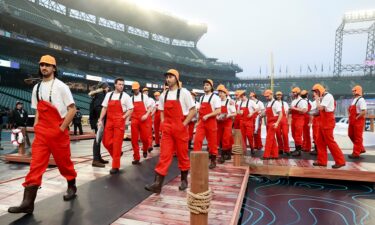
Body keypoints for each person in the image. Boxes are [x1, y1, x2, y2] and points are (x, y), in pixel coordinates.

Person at [9, 55, 77, 214]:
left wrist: (61, 129)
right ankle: (28, 203)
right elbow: (38, 110)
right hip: (42, 133)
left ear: (54, 68)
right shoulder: (36, 88)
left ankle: (71, 186)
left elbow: (72, 109)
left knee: (64, 163)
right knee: (35, 165)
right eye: (42, 65)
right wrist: (37, 127)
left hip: (58, 131)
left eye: (47, 65)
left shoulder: (61, 86)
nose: (44, 67)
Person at [145, 69, 196, 193]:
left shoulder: (184, 93)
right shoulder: (164, 94)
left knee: (182, 155)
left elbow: (193, 110)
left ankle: (184, 180)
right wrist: (163, 122)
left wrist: (183, 124)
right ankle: (158, 184)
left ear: (176, 79)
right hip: (168, 128)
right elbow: (161, 110)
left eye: (170, 77)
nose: (168, 79)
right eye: (167, 77)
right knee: (164, 155)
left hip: (180, 127)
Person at [98, 78, 133, 174]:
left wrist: (124, 117)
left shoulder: (126, 96)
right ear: (115, 85)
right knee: (106, 142)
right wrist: (100, 119)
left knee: (117, 144)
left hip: (119, 121)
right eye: (120, 84)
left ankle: (115, 166)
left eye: (123, 84)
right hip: (109, 121)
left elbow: (131, 109)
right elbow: (104, 108)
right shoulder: (109, 95)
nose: (121, 86)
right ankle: (117, 154)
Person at [311, 84, 346, 168]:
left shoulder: (328, 96)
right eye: (314, 92)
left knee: (330, 142)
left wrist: (316, 100)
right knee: (319, 141)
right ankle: (322, 161)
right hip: (322, 121)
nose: (315, 94)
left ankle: (340, 161)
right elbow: (320, 111)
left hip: (328, 122)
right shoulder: (323, 97)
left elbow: (320, 108)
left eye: (316, 92)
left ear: (320, 90)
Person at [193, 79, 221, 169]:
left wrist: (208, 115)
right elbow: (200, 112)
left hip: (211, 122)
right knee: (197, 140)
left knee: (212, 143)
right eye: (204, 85)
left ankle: (213, 161)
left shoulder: (215, 98)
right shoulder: (201, 98)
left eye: (207, 85)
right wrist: (197, 122)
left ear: (211, 87)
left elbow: (218, 110)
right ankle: (196, 159)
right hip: (202, 122)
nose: (205, 86)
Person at [88, 82, 110, 167]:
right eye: (108, 87)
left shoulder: (98, 94)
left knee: (98, 140)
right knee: (97, 140)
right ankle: (95, 160)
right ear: (104, 88)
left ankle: (98, 157)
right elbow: (98, 108)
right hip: (98, 121)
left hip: (97, 120)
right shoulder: (101, 95)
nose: (108, 89)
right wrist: (100, 119)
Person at [130, 82, 152, 164]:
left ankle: (145, 149)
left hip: (143, 119)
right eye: (134, 89)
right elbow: (130, 109)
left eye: (137, 88)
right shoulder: (131, 98)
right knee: (134, 139)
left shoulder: (144, 97)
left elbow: (149, 108)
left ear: (139, 88)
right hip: (134, 120)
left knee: (145, 138)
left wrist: (146, 115)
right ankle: (136, 157)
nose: (135, 90)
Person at [216, 84, 236, 163]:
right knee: (219, 138)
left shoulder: (230, 102)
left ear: (225, 93)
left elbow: (234, 113)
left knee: (226, 138)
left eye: (221, 92)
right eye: (219, 92)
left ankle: (223, 156)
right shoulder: (217, 101)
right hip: (219, 122)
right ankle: (228, 154)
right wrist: (217, 117)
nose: (220, 94)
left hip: (227, 122)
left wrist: (228, 115)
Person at [262, 90, 283, 160]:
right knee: (272, 139)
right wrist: (262, 114)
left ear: (271, 95)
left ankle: (266, 155)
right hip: (269, 122)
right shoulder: (268, 103)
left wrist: (277, 123)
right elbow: (266, 113)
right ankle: (275, 155)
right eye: (265, 96)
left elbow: (280, 114)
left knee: (269, 139)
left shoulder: (276, 103)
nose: (266, 98)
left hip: (273, 122)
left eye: (268, 96)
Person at [348, 85, 367, 159]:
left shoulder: (361, 100)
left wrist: (357, 117)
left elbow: (364, 111)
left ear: (358, 91)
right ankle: (361, 148)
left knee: (358, 137)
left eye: (354, 90)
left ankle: (356, 153)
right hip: (352, 121)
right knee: (350, 134)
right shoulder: (355, 99)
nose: (353, 92)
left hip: (358, 121)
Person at [238, 90, 259, 155]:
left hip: (249, 121)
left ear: (244, 96)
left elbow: (257, 109)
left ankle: (252, 148)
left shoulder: (251, 102)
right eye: (240, 98)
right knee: (243, 136)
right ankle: (244, 149)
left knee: (250, 135)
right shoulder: (240, 103)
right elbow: (238, 111)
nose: (241, 99)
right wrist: (239, 112)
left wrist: (251, 113)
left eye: (241, 97)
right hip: (242, 121)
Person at [289, 87, 308, 156]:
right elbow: (294, 110)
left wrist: (294, 108)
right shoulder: (294, 101)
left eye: (294, 92)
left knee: (298, 135)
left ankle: (299, 150)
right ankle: (296, 148)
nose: (293, 94)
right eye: (292, 92)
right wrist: (290, 110)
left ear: (298, 93)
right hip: (294, 119)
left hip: (299, 119)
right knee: (293, 134)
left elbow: (304, 110)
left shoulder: (302, 101)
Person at [275, 91, 290, 155]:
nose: (279, 96)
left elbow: (287, 113)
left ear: (282, 96)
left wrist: (288, 121)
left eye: (280, 95)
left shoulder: (285, 103)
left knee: (285, 134)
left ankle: (287, 150)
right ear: (275, 96)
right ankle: (280, 149)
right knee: (278, 135)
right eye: (277, 95)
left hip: (284, 120)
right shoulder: (274, 103)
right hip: (277, 119)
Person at [143, 87, 155, 152]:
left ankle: (149, 145)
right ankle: (144, 146)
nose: (146, 92)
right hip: (142, 116)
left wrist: (151, 115)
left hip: (148, 115)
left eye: (147, 91)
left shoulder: (151, 100)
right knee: (142, 133)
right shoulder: (140, 98)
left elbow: (154, 108)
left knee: (149, 131)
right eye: (144, 91)